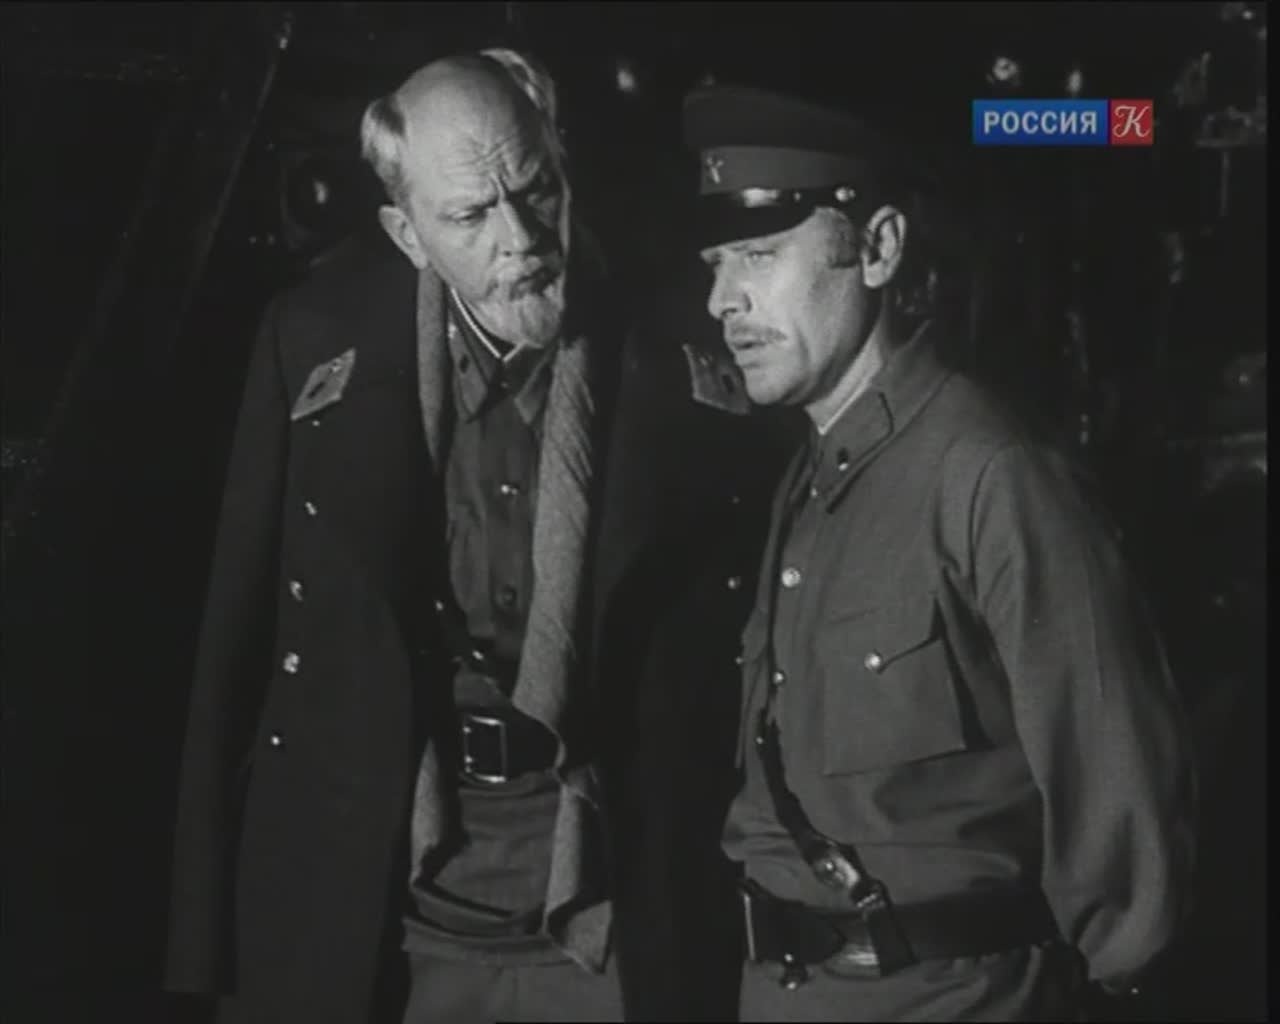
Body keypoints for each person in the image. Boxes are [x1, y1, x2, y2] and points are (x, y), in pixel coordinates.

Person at [164, 50, 785, 1024]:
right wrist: (202, 945)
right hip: (386, 907)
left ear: (562, 162)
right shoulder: (313, 339)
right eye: (470, 216)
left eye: (536, 191)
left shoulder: (686, 338)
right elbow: (233, 647)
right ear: (406, 233)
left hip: (619, 907)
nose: (522, 240)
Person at [682, 82, 1198, 1022]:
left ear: (878, 248)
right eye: (717, 263)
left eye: (759, 255)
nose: (723, 300)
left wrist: (1119, 978)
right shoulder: (810, 476)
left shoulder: (989, 472)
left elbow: (1118, 789)